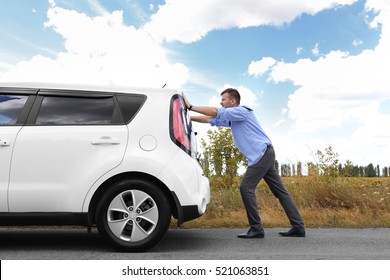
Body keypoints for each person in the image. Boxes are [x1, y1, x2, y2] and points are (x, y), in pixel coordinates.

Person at [183, 88, 305, 238]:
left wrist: (190, 106)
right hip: (264, 154)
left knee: (246, 187)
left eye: (223, 99)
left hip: (262, 154)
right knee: (280, 191)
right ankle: (298, 227)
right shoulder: (233, 117)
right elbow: (210, 119)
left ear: (232, 101)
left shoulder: (242, 111)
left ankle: (256, 228)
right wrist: (189, 118)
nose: (221, 102)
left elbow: (215, 112)